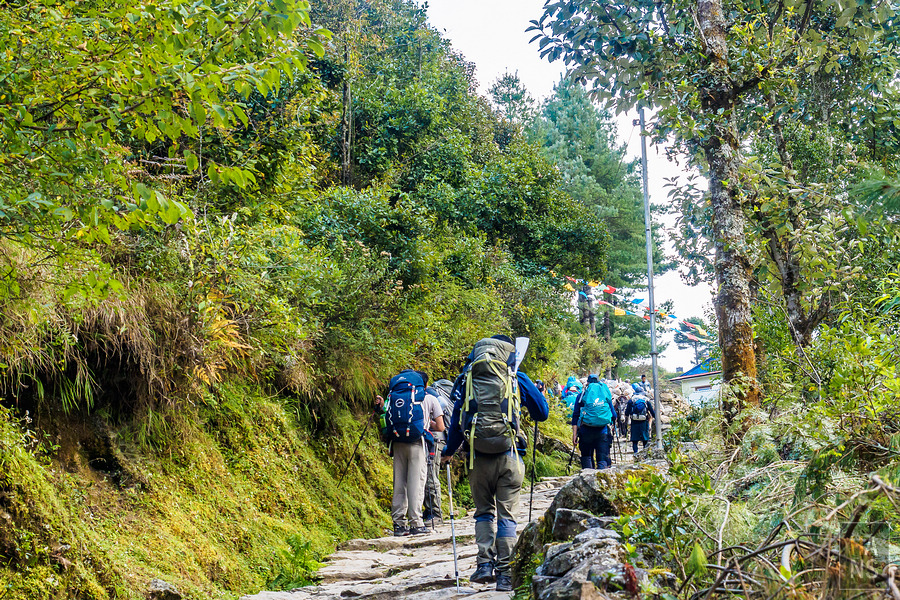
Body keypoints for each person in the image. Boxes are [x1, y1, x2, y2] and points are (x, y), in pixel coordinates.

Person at [441, 335, 549, 592]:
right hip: (510, 455)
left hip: (477, 458)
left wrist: (448, 451)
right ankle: (504, 574)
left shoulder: (469, 377)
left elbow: (458, 420)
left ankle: (484, 565)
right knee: (507, 516)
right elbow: (541, 413)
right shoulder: (515, 377)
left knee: (484, 513)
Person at [375, 369, 445, 537]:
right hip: (417, 443)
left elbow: (385, 414)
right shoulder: (429, 398)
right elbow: (441, 427)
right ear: (425, 385)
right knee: (416, 482)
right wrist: (427, 424)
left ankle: (399, 524)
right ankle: (416, 523)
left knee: (400, 482)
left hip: (397, 442)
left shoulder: (396, 396)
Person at [422, 379, 454, 527]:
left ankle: (435, 513)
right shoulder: (423, 392)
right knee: (427, 474)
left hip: (435, 438)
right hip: (432, 438)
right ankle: (430, 511)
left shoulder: (429, 394)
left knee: (430, 474)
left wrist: (429, 421)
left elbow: (442, 408)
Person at [570, 374, 616, 469]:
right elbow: (614, 415)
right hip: (602, 431)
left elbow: (575, 416)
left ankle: (588, 479)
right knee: (602, 459)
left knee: (587, 457)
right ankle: (602, 481)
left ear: (588, 383)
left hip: (586, 432)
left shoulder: (582, 395)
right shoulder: (605, 393)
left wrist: (574, 435)